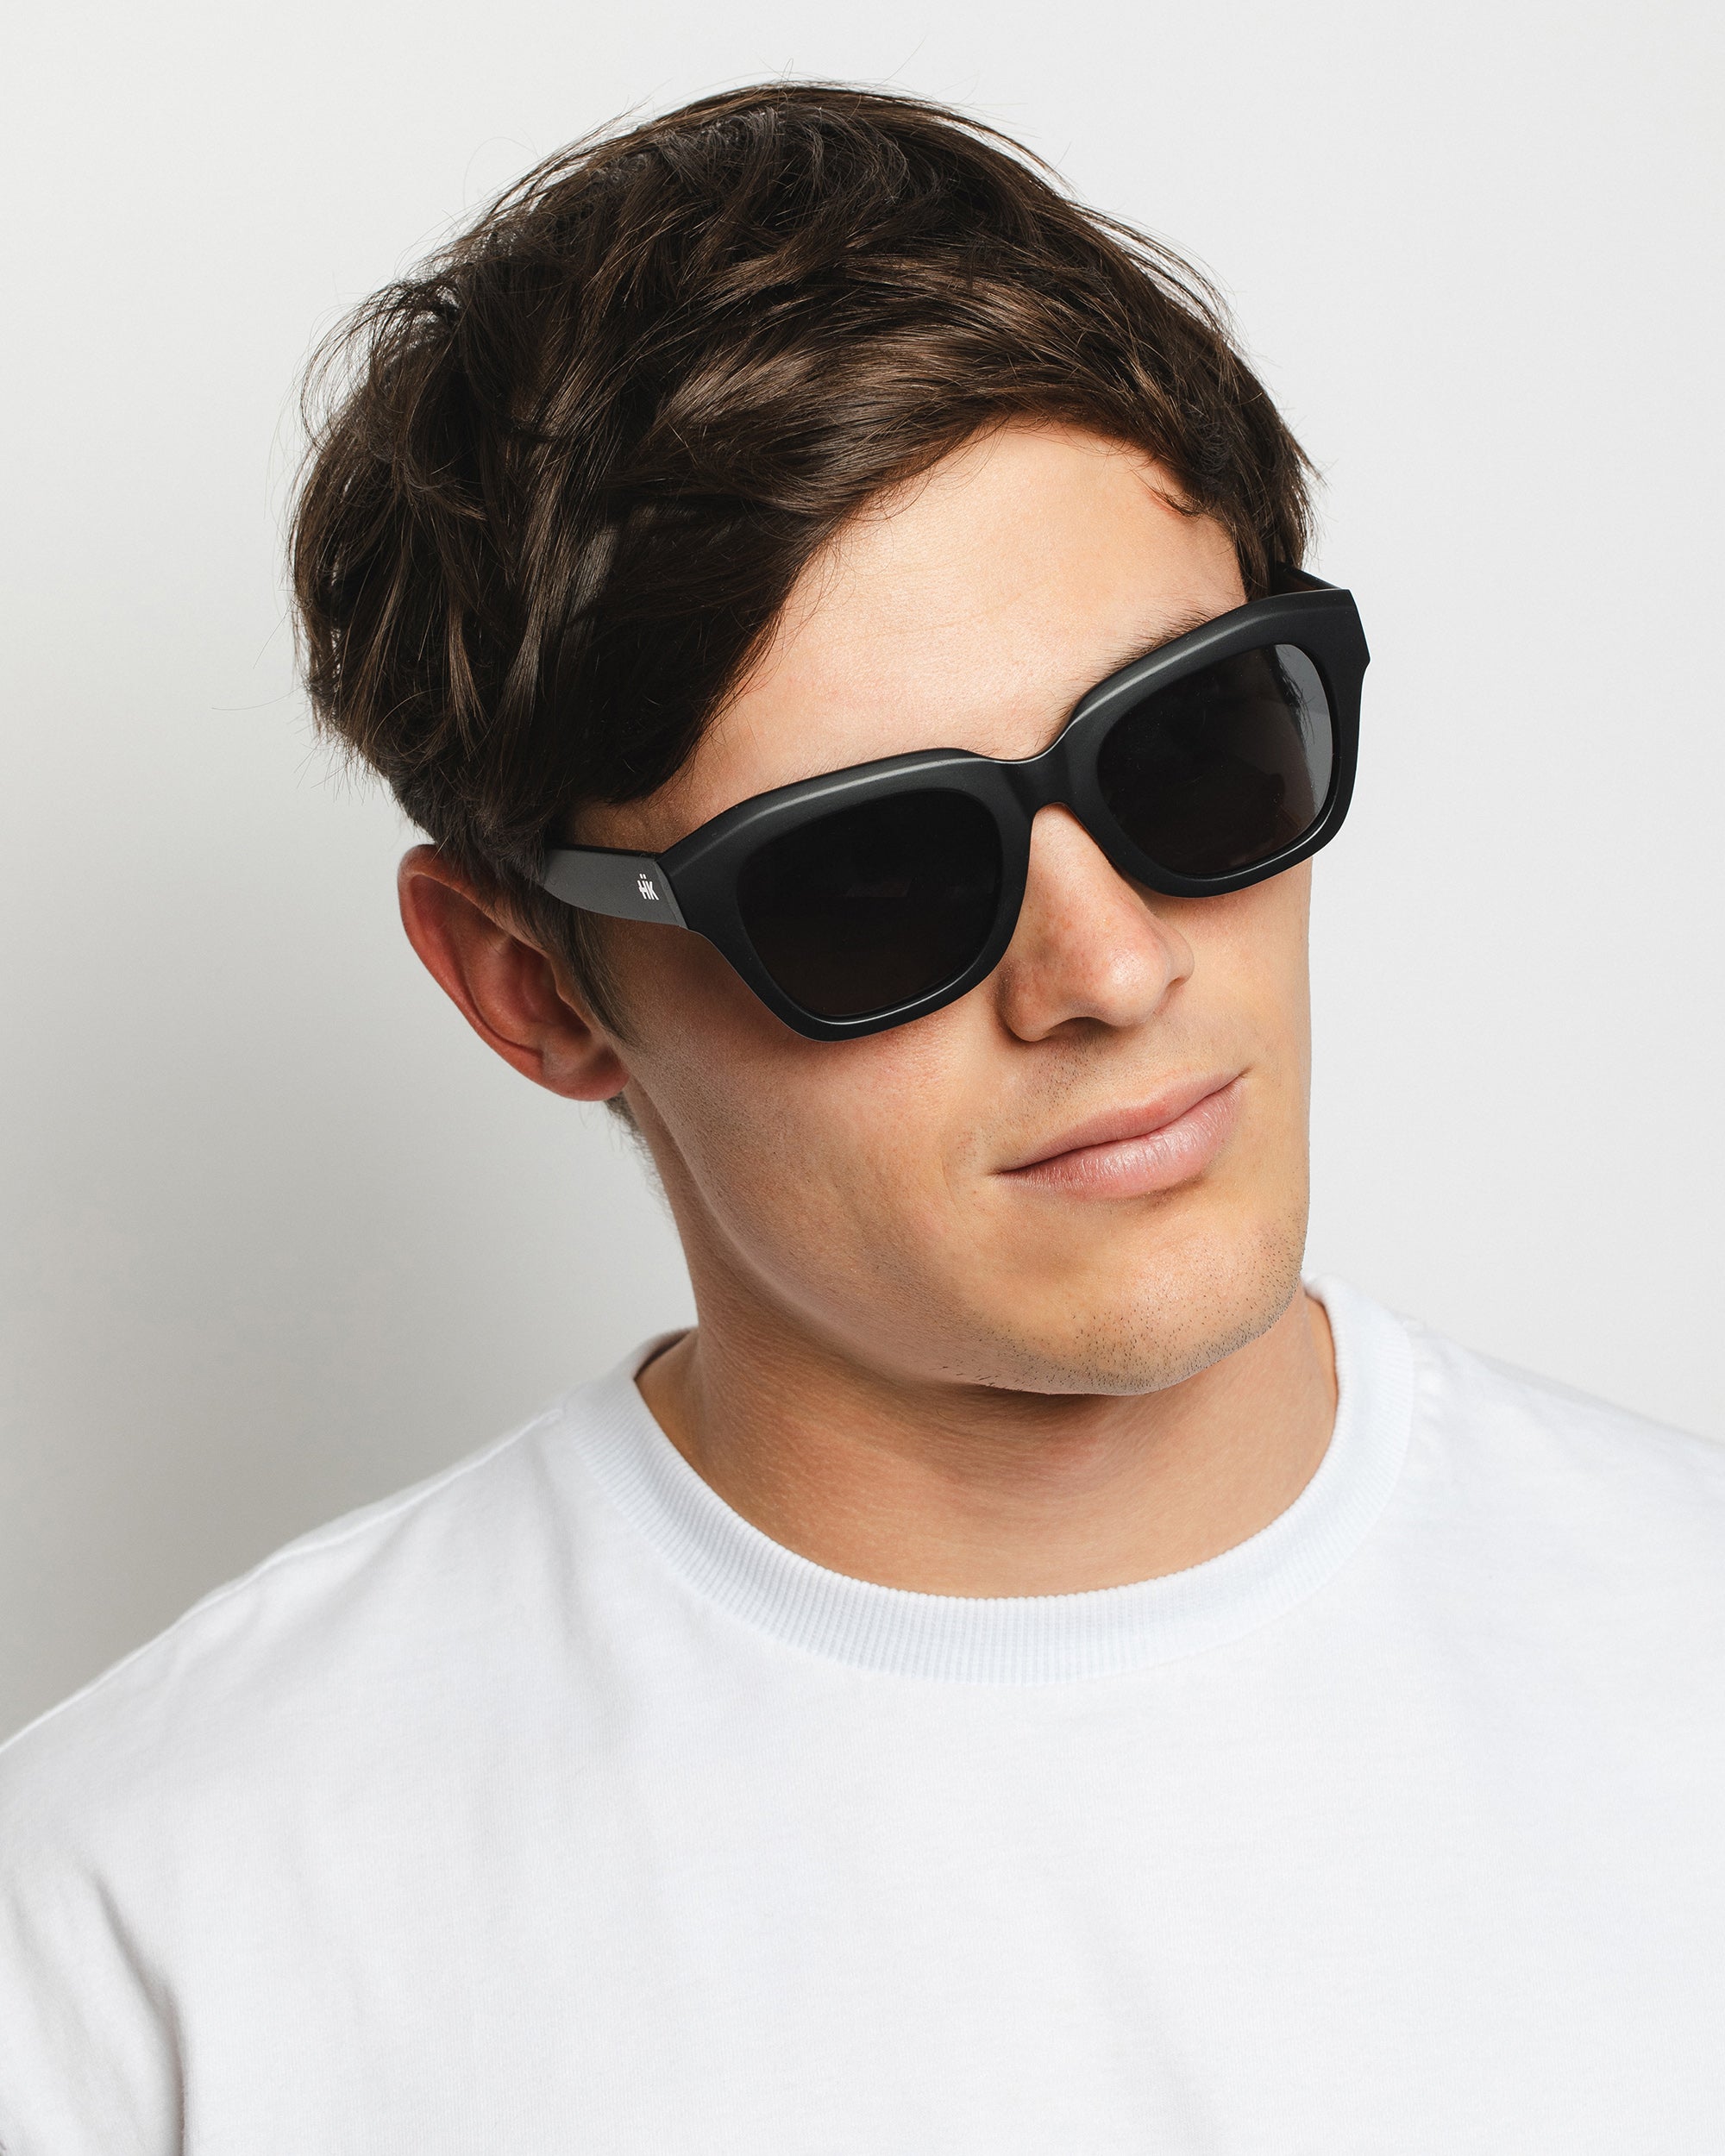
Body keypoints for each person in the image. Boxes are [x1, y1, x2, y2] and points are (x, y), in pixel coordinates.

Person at [1, 82, 1721, 2155]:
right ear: (532, 986)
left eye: (1195, 748)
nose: (1108, 967)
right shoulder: (142, 1927)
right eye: (873, 873)